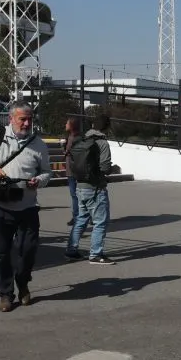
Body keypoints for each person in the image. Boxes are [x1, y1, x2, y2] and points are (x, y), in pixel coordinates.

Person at [0, 101, 52, 312]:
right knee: (1, 253)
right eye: (22, 119)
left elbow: (47, 173)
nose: (26, 123)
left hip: (28, 206)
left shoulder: (38, 144)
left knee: (29, 250)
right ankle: (6, 294)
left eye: (29, 119)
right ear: (11, 119)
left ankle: (22, 281)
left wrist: (39, 181)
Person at [65, 114, 115, 265]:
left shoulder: (82, 139)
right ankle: (96, 254)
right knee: (101, 221)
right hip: (95, 187)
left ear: (93, 125)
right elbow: (105, 168)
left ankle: (71, 250)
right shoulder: (102, 143)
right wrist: (113, 168)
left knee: (81, 218)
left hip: (80, 185)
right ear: (107, 127)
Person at [63, 116, 80, 226]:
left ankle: (76, 216)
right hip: (74, 169)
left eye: (67, 123)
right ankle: (81, 216)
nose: (65, 125)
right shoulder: (72, 137)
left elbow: (69, 152)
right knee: (78, 195)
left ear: (71, 126)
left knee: (74, 195)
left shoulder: (74, 138)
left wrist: (64, 149)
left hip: (73, 170)